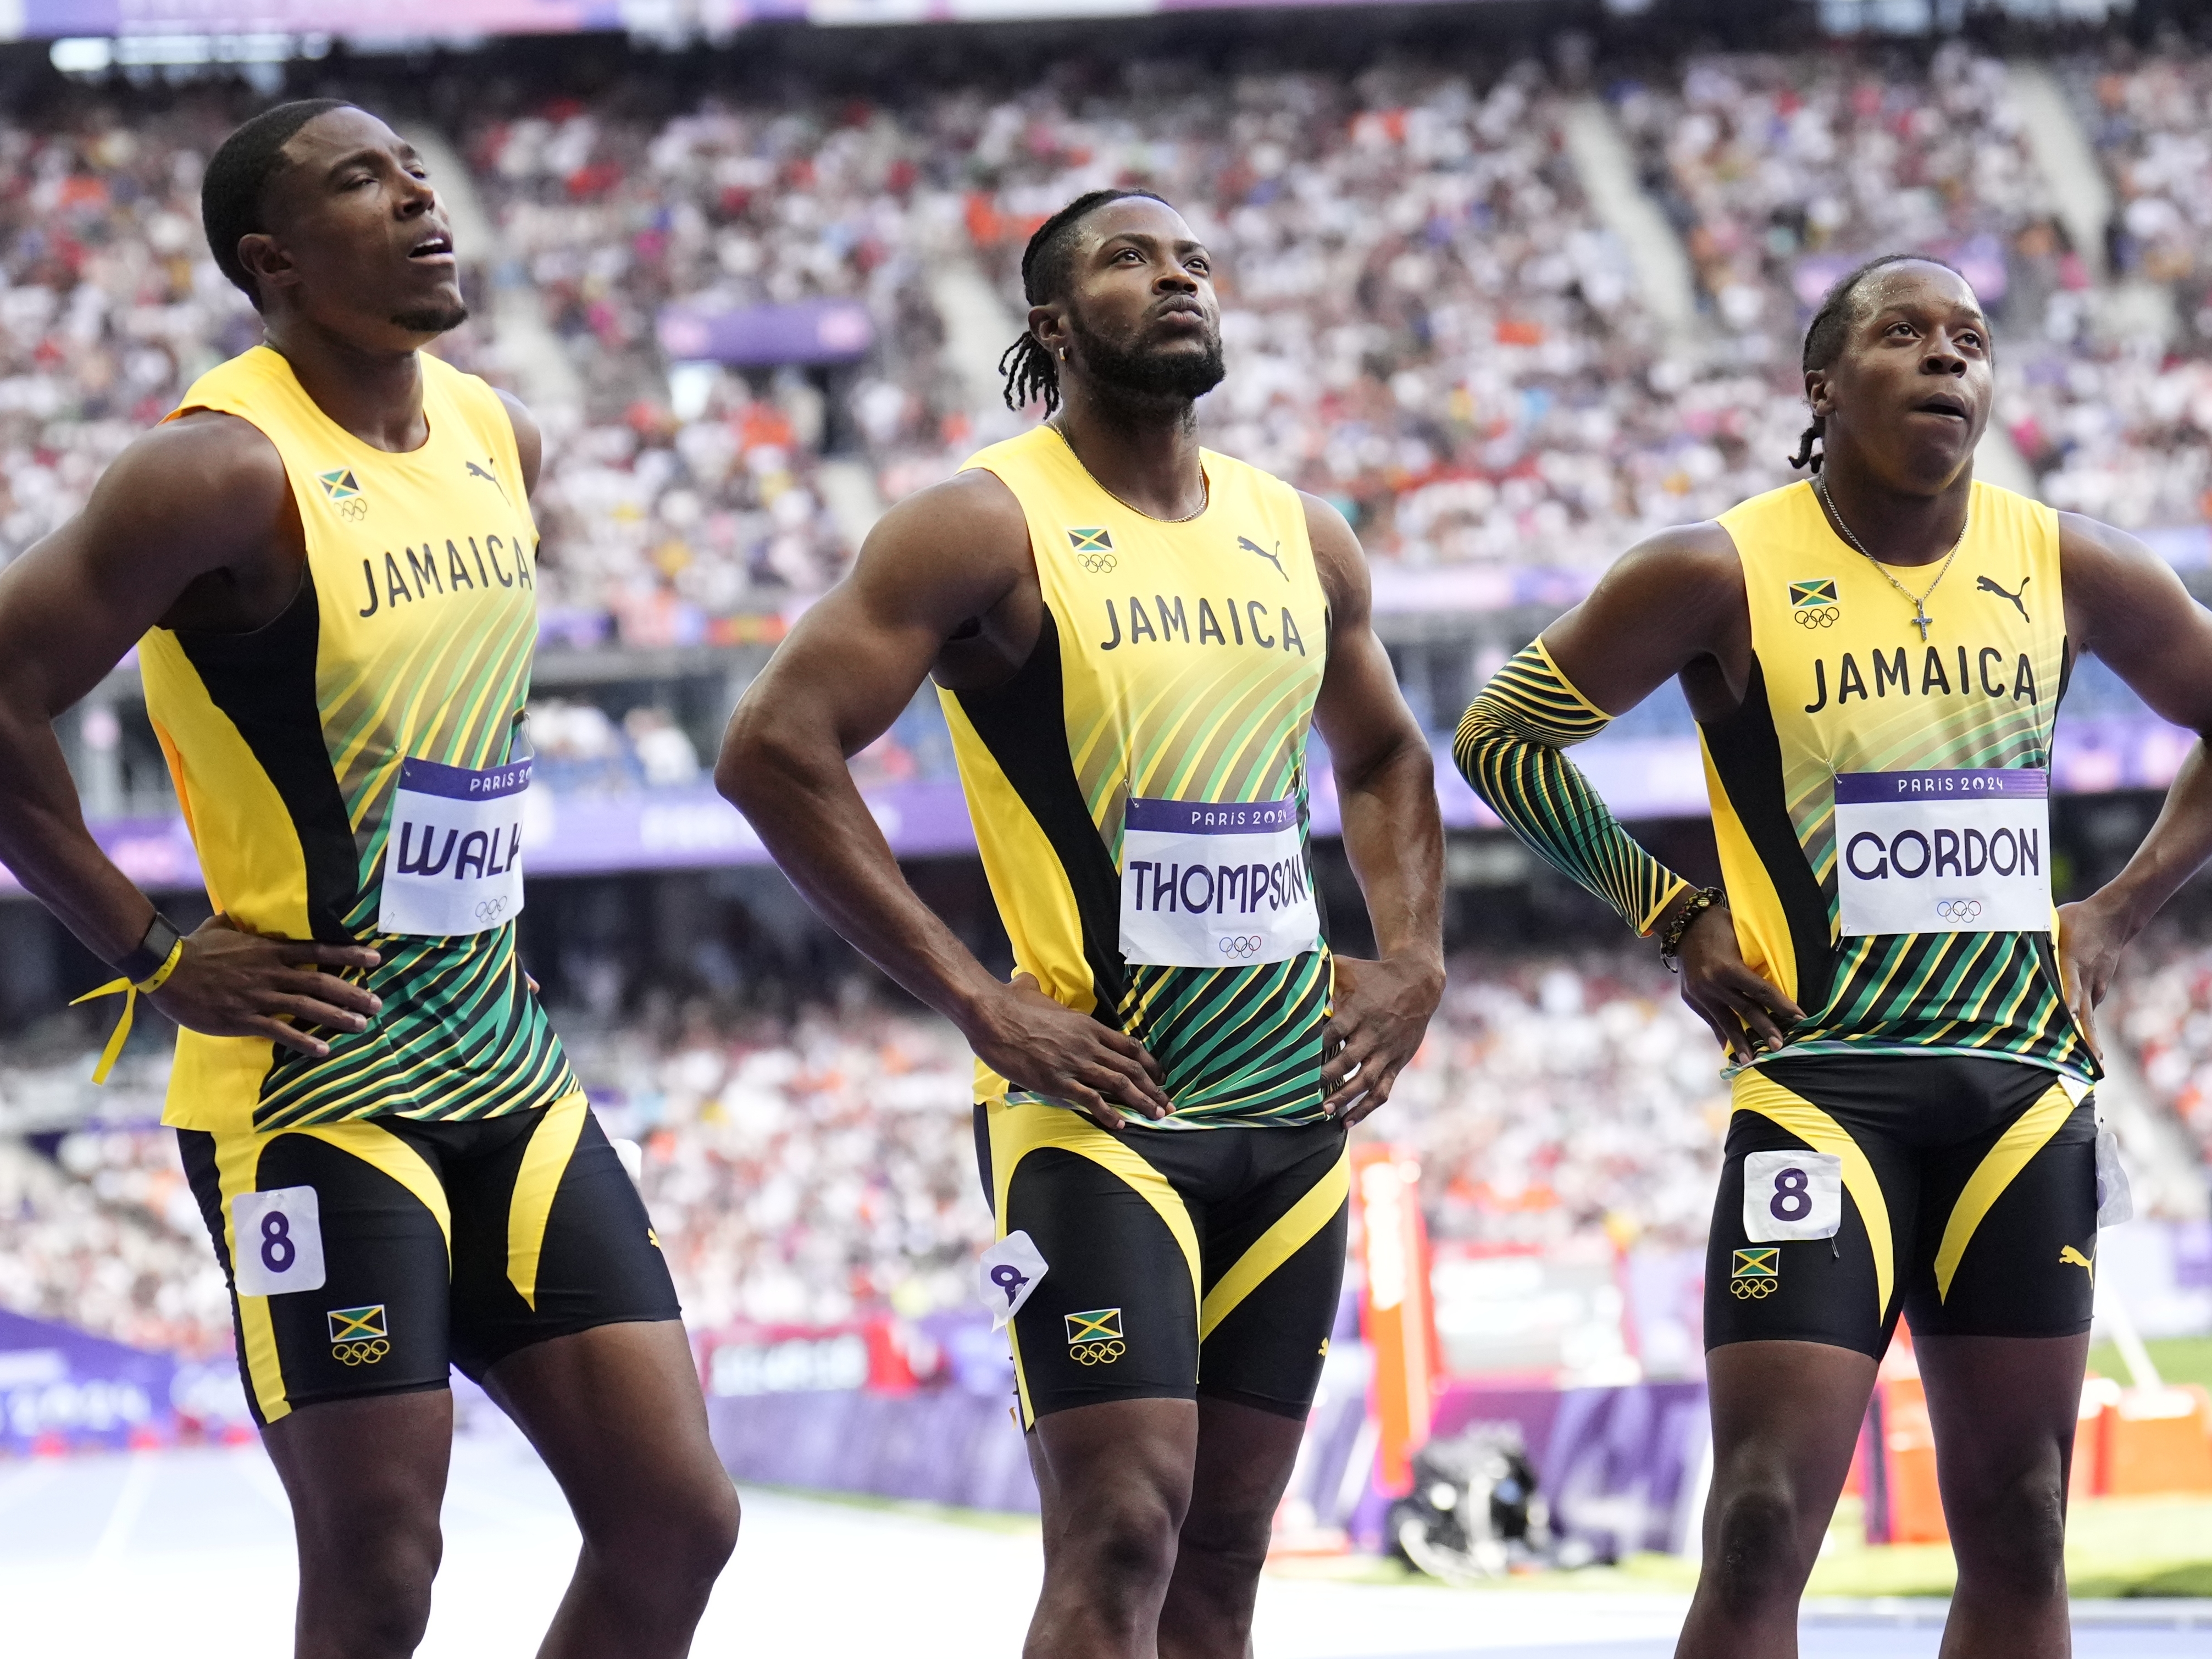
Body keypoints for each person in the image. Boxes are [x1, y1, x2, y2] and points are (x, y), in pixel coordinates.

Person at [0, 101, 737, 1658]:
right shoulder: (212, 474)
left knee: (679, 1518)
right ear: (273, 263)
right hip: (312, 1087)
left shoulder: (500, 435)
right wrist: (147, 946)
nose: (420, 198)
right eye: (364, 183)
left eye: (419, 172)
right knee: (386, 1557)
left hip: (506, 1061)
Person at [717, 188, 1444, 1658]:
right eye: (1132, 258)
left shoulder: (1299, 536)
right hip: (1098, 1113)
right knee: (1118, 1533)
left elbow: (1382, 757)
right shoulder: (982, 524)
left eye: (1193, 256)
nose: (1178, 274)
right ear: (1051, 324)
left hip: (1289, 1117)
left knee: (1225, 1566)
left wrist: (1414, 956)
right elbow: (773, 748)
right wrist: (978, 996)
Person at [1456, 253, 2212, 1658]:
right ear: (1821, 384)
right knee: (1759, 1520)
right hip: (1822, 1092)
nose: (1947, 359)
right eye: (1905, 334)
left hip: (2021, 1096)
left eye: (1971, 340)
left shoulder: (2069, 561)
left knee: (2023, 1517)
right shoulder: (1719, 568)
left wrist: (2117, 907)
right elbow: (1500, 740)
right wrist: (1672, 914)